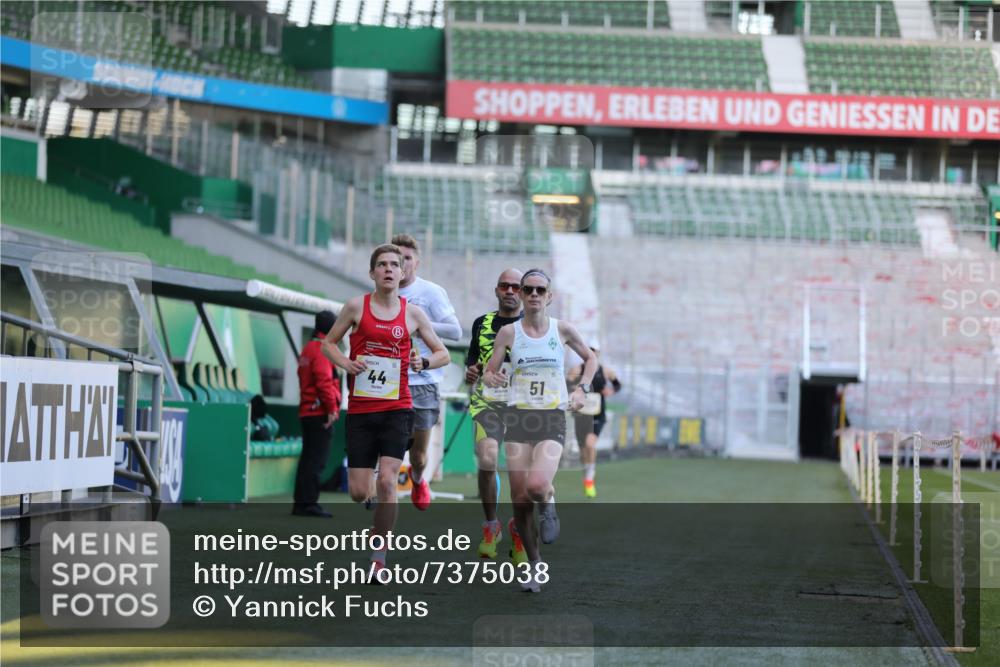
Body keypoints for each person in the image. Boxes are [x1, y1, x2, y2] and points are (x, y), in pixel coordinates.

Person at [321, 244, 450, 572]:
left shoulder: (413, 314)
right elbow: (327, 344)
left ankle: (379, 557)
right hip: (362, 410)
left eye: (396, 264)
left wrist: (422, 361)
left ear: (403, 271)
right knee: (358, 491)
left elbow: (443, 354)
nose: (390, 269)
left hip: (398, 407)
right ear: (372, 273)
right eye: (383, 265)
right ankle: (378, 512)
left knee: (389, 481)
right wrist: (347, 364)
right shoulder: (355, 307)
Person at [483, 268, 596, 592]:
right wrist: (493, 377)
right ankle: (535, 564)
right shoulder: (508, 333)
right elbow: (491, 372)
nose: (533, 295)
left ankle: (548, 502)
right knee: (519, 501)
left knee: (536, 485)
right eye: (527, 289)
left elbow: (590, 360)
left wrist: (581, 390)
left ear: (549, 296)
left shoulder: (562, 330)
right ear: (519, 294)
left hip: (551, 418)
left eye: (539, 290)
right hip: (518, 418)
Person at [391, 234, 462, 511]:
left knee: (418, 455)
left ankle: (419, 479)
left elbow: (455, 331)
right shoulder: (383, 293)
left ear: (416, 263)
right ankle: (382, 484)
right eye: (396, 258)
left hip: (423, 382)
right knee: (388, 448)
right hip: (389, 383)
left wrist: (420, 323)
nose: (402, 263)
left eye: (407, 258)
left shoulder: (430, 292)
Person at [464, 269, 524, 558]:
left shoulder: (535, 325)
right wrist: (472, 372)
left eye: (516, 286)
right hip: (488, 402)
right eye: (505, 286)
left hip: (526, 407)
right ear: (496, 289)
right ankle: (491, 525)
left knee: (523, 477)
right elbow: (472, 363)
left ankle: (520, 527)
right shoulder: (482, 323)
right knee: (487, 459)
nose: (510, 291)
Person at [292, 310, 341, 518]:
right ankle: (309, 503)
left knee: (308, 459)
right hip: (319, 412)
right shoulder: (323, 349)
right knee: (316, 460)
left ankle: (301, 503)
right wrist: (331, 409)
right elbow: (324, 382)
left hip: (307, 411)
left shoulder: (308, 348)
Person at [566, 340, 621, 499]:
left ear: (598, 353)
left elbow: (617, 385)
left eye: (594, 350)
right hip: (581, 415)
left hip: (598, 415)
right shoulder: (577, 369)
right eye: (588, 349)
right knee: (583, 451)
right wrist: (573, 391)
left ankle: (589, 480)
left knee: (590, 444)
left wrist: (610, 391)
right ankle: (587, 475)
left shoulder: (606, 371)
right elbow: (566, 385)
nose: (590, 352)